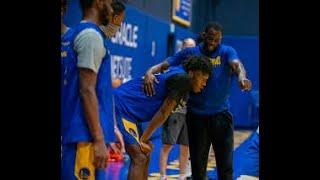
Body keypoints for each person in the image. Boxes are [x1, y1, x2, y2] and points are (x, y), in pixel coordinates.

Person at [143, 22, 252, 180]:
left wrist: (242, 77)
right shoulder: (191, 52)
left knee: (225, 167)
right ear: (204, 35)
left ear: (221, 39)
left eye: (217, 40)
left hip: (221, 116)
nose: (213, 43)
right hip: (196, 117)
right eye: (210, 39)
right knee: (198, 168)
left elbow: (237, 65)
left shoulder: (227, 52)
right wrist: (149, 72)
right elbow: (166, 63)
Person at [113, 56, 212, 180]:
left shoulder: (179, 74)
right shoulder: (182, 79)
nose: (204, 83)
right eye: (203, 79)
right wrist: (144, 139)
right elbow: (164, 112)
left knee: (144, 153)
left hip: (131, 113)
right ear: (192, 73)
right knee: (139, 157)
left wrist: (144, 138)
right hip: (123, 106)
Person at [60, 0, 125, 179]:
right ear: (99, 2)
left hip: (82, 136)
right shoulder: (90, 36)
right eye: (110, 3)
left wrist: (108, 130)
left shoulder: (74, 34)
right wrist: (98, 139)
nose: (112, 10)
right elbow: (87, 90)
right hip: (85, 139)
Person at [159, 38, 196, 180]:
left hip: (189, 112)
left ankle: (182, 175)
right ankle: (162, 175)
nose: (191, 50)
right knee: (168, 145)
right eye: (188, 47)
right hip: (174, 111)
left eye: (194, 47)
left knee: (186, 146)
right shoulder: (174, 66)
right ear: (182, 49)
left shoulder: (195, 68)